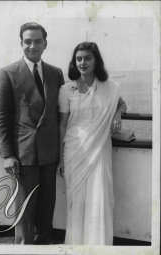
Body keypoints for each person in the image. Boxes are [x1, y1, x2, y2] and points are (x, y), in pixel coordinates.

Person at [0, 22, 64, 245]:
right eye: (27, 41)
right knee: (24, 212)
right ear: (21, 44)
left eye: (37, 41)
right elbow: (2, 117)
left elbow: (61, 111)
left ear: (45, 43)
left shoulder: (56, 73)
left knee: (46, 209)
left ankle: (44, 247)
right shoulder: (7, 73)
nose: (32, 46)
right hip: (23, 155)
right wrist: (7, 155)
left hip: (49, 154)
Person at [57, 42, 127, 245]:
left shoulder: (110, 87)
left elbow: (121, 103)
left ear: (96, 61)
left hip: (99, 149)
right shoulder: (66, 89)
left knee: (99, 197)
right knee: (77, 201)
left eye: (87, 58)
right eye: (78, 58)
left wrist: (117, 114)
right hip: (73, 151)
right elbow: (62, 125)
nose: (82, 62)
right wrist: (59, 158)